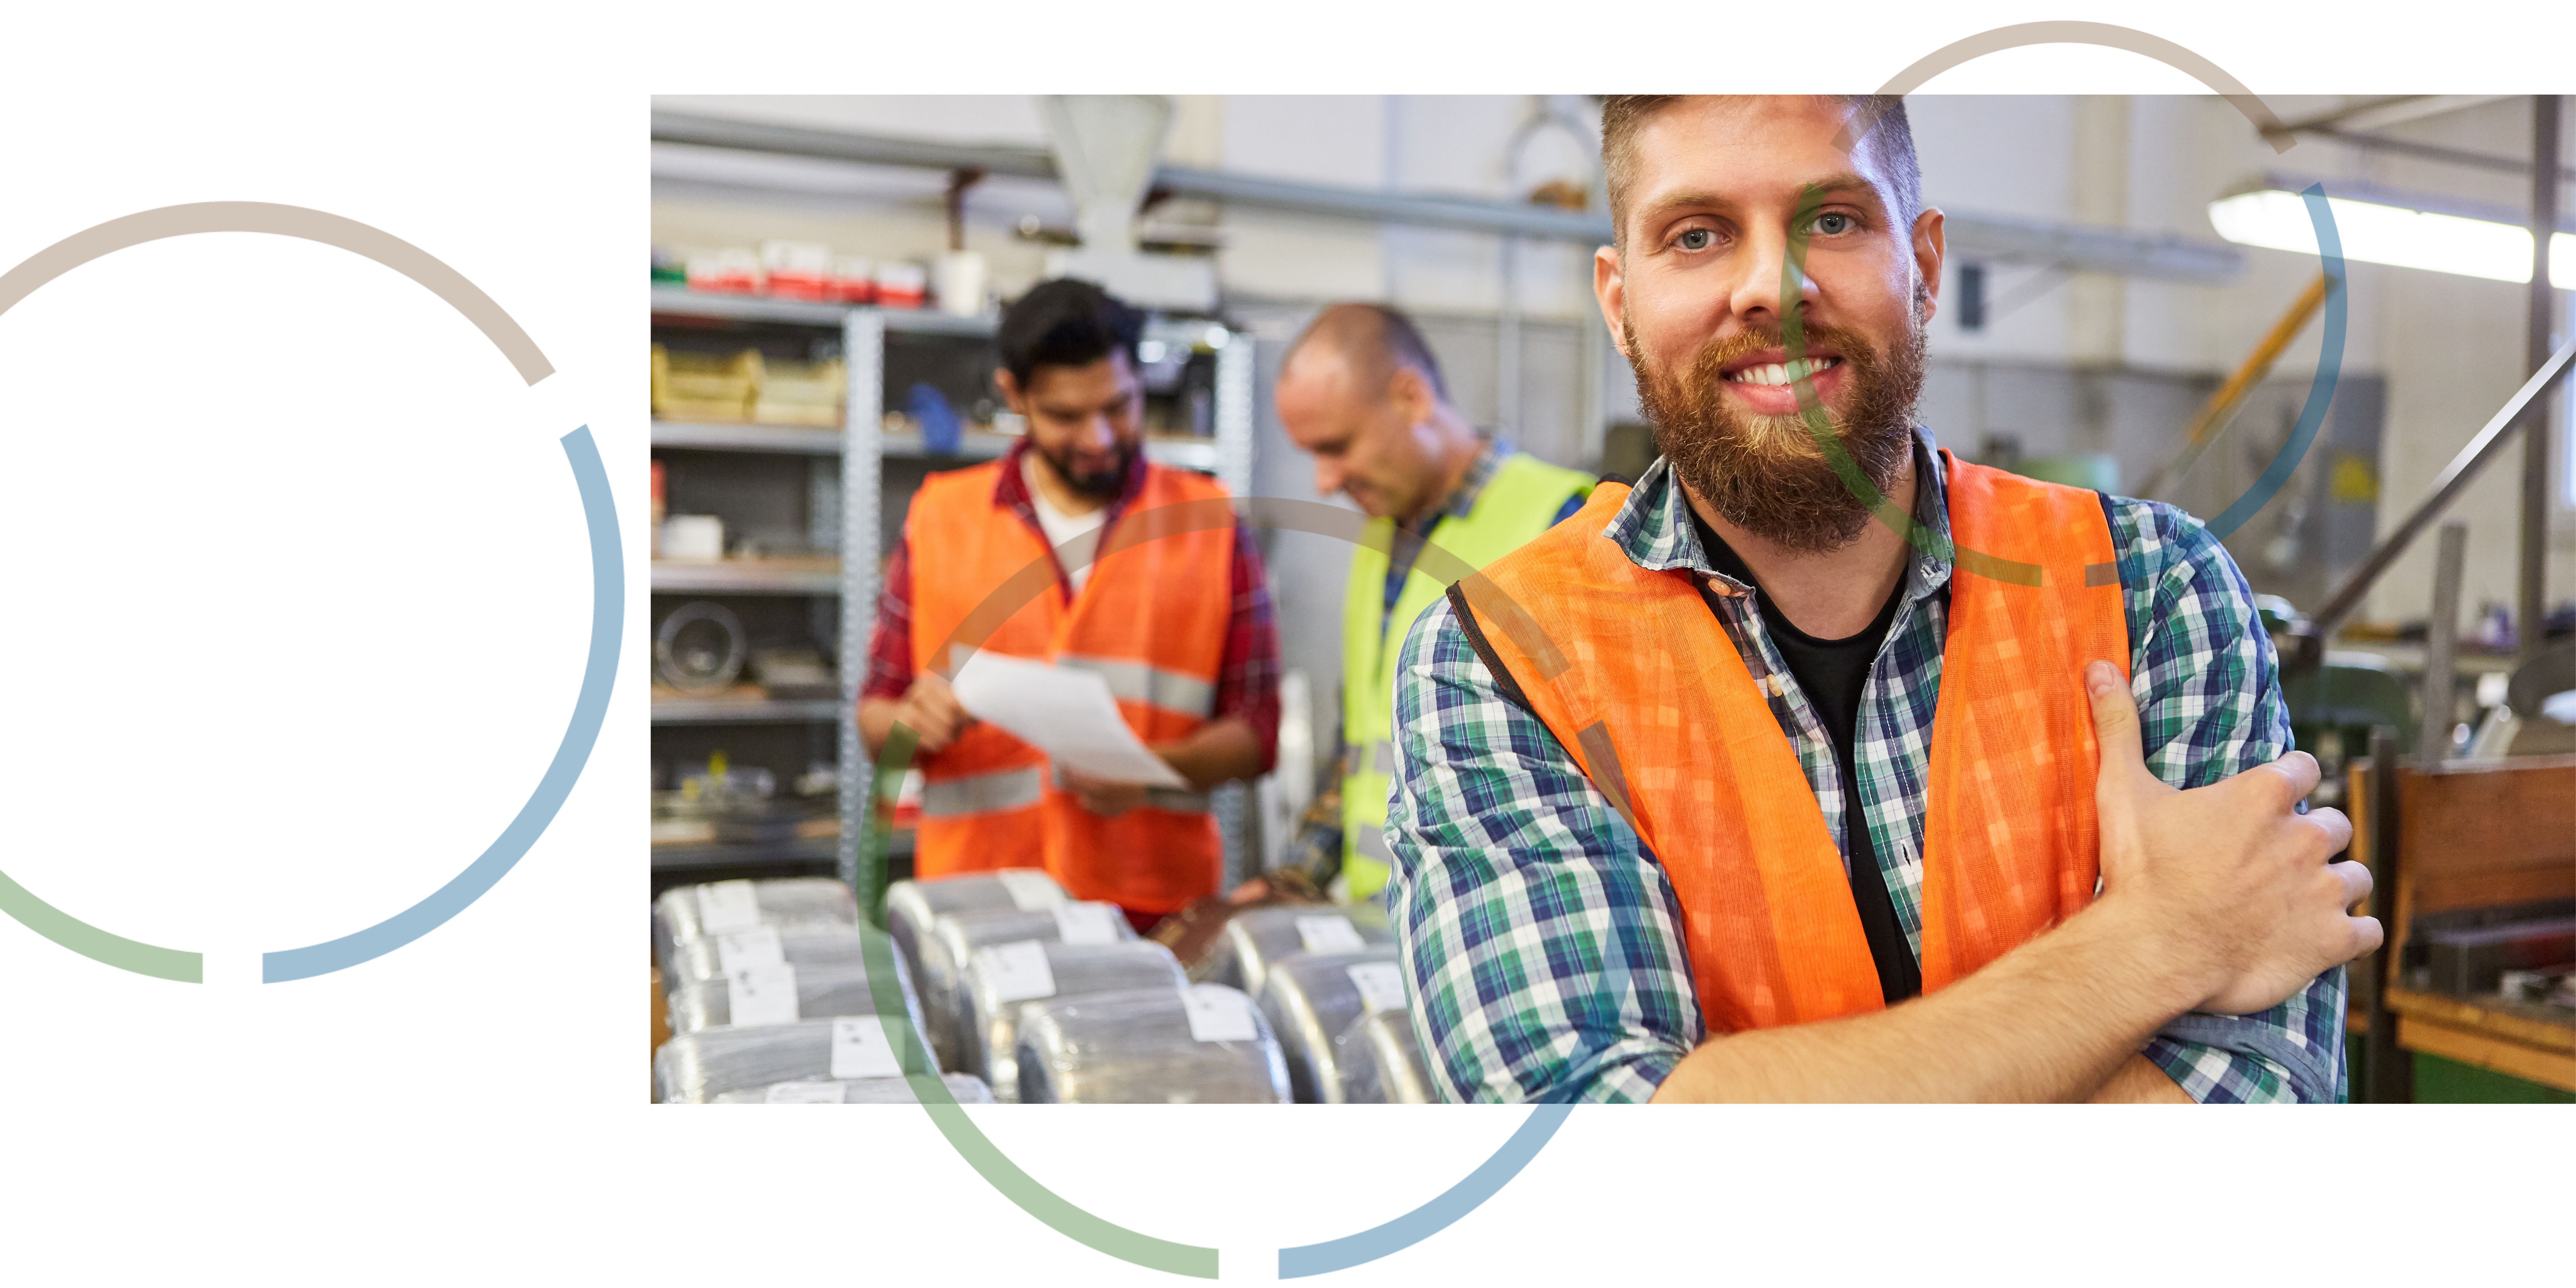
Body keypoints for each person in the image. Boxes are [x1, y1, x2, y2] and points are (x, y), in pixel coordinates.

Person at [1385, 95, 2380, 1102]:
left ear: (1927, 265)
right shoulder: (1503, 660)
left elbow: (2262, 1111)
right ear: (1618, 301)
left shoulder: (2153, 591)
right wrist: (2150, 947)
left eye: (1833, 221)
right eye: (1697, 235)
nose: (1772, 287)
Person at [860, 279, 1280, 932]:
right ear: (1014, 395)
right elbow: (875, 718)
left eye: (1120, 406)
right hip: (977, 909)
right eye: (1066, 416)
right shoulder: (940, 517)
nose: (1100, 437)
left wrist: (1152, 773)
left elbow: (1256, 733)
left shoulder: (1211, 522)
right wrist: (914, 722)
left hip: (1153, 911)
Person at [1270, 303, 1593, 903]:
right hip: (1382, 921)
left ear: (1411, 398)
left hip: (1502, 929)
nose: (1323, 480)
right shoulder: (1379, 539)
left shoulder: (1556, 527)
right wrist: (1295, 879)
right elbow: (1362, 744)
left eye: (1337, 446)